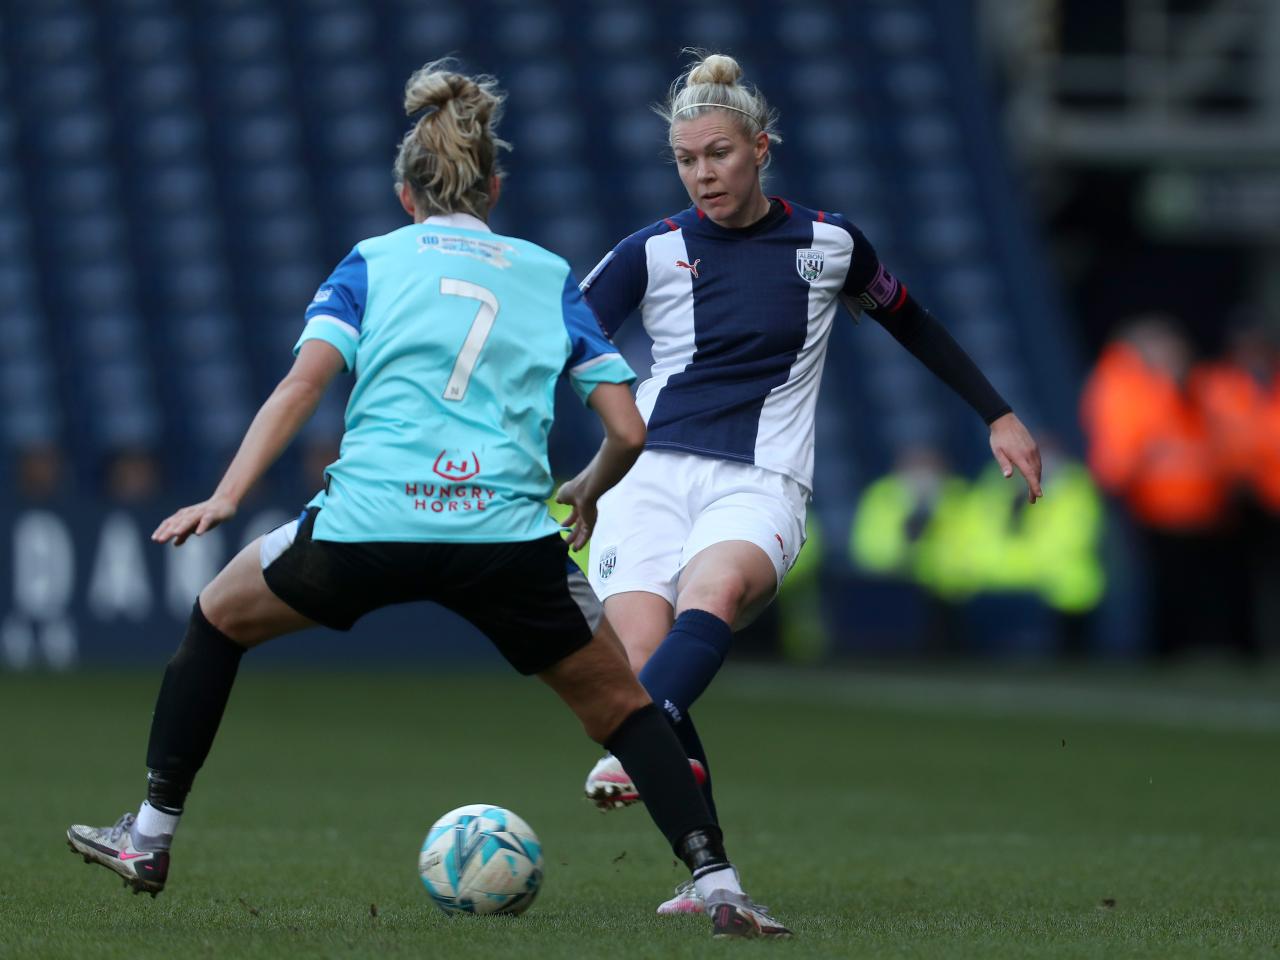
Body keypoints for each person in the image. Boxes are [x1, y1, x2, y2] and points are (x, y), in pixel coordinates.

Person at [65, 60, 788, 940]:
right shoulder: (546, 274)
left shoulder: (371, 263)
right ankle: (718, 884)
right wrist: (587, 489)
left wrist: (225, 496)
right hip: (504, 535)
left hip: (369, 521)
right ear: (494, 187)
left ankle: (148, 837)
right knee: (624, 711)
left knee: (217, 620)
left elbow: (301, 386)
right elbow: (629, 431)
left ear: (406, 194)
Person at [577, 52, 1042, 915]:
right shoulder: (651, 252)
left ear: (761, 146)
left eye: (718, 153)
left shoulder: (830, 244)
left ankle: (629, 748)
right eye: (686, 160)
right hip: (648, 476)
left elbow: (913, 321)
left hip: (762, 479)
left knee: (705, 604)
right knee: (644, 664)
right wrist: (591, 466)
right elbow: (564, 342)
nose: (702, 174)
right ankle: (714, 879)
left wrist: (998, 413)